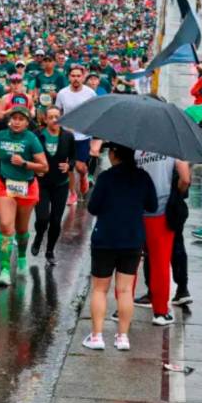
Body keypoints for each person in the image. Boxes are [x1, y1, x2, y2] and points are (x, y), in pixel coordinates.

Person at [84, 144, 157, 351]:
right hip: (132, 239)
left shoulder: (106, 177)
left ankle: (97, 336)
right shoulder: (143, 177)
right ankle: (122, 337)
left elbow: (93, 207)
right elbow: (151, 206)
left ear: (115, 154)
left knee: (100, 288)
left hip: (105, 239)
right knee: (125, 290)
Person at [0, 106, 48, 287]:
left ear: (26, 122)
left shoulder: (32, 139)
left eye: (21, 119)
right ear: (9, 120)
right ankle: (5, 269)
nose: (16, 122)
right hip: (4, 185)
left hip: (27, 187)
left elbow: (44, 167)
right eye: (13, 118)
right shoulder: (1, 135)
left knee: (22, 230)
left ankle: (22, 257)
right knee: (7, 228)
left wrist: (24, 163)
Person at [134, 150, 191, 325]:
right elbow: (186, 179)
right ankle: (160, 312)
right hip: (162, 211)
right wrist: (178, 193)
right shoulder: (171, 147)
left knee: (131, 261)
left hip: (137, 209)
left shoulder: (136, 148)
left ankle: (122, 308)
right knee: (161, 262)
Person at [31, 107, 76, 265]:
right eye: (51, 117)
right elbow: (29, 155)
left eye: (57, 117)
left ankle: (50, 251)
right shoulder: (37, 136)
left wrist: (69, 166)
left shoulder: (68, 136)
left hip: (60, 185)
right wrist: (36, 170)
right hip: (42, 184)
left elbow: (73, 158)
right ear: (45, 119)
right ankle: (38, 236)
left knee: (56, 221)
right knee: (42, 218)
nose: (54, 120)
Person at [55, 64, 96, 205]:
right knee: (69, 166)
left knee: (80, 166)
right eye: (73, 76)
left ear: (83, 77)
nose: (76, 79)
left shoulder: (90, 93)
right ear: (69, 77)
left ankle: (84, 176)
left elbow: (95, 113)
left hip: (83, 136)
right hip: (67, 135)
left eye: (79, 76)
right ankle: (72, 193)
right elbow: (58, 113)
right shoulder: (62, 93)